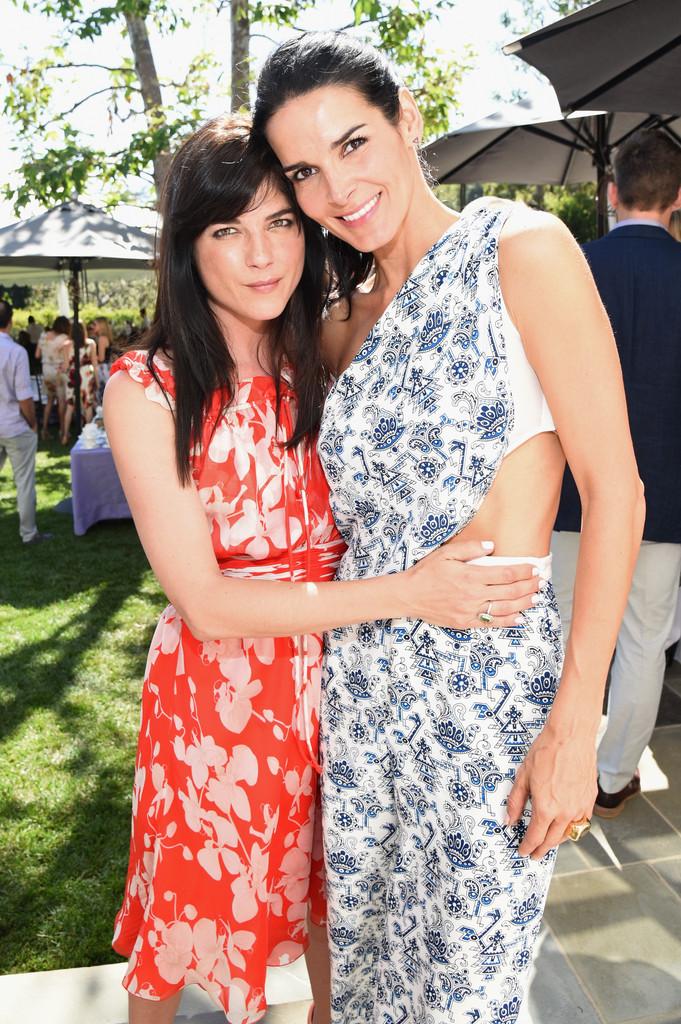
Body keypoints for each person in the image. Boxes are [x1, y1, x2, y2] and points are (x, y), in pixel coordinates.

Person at [103, 116, 540, 1024]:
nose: (261, 255)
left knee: (344, 921)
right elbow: (207, 604)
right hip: (221, 705)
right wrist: (412, 592)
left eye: (280, 221)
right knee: (183, 932)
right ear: (186, 248)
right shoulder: (147, 387)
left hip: (348, 690)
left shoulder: (330, 355)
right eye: (227, 230)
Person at [253, 31, 644, 1024]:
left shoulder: (520, 249)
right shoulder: (337, 317)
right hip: (360, 695)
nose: (337, 188)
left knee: (464, 997)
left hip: (485, 704)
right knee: (365, 984)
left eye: (352, 143)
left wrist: (576, 725)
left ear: (406, 120)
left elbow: (616, 490)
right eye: (303, 171)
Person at [552, 129, 681, 819]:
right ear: (678, 198)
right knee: (642, 640)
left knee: (556, 630)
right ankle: (611, 776)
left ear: (611, 192)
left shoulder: (572, 267)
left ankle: (543, 759)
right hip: (663, 495)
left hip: (569, 490)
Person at [0, 300, 52, 545]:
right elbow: (24, 395)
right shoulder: (16, 352)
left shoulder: (16, 350)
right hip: (15, 424)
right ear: (11, 321)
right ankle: (29, 533)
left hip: (12, 422)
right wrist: (33, 422)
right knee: (24, 482)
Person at [62, 323, 99, 440]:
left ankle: (65, 435)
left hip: (73, 375)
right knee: (88, 405)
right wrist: (97, 380)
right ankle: (88, 434)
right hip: (86, 374)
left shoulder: (67, 345)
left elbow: (66, 365)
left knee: (70, 406)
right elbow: (95, 363)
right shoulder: (91, 343)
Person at [36, 316, 70, 440]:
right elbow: (67, 358)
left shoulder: (43, 335)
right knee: (61, 401)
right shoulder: (64, 338)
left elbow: (37, 355)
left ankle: (44, 429)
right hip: (58, 371)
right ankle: (62, 430)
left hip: (46, 370)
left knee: (49, 401)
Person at [92, 316, 114, 399]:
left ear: (101, 326)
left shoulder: (101, 338)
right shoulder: (106, 337)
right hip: (107, 368)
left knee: (102, 394)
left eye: (95, 324)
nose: (92, 326)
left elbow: (101, 358)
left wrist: (91, 357)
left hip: (102, 370)